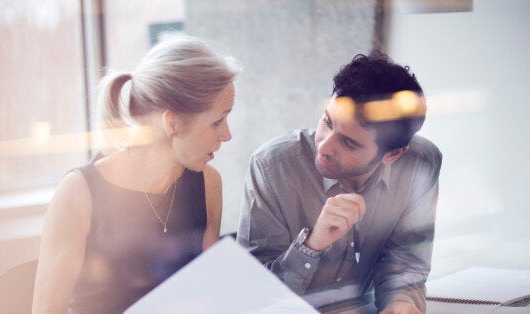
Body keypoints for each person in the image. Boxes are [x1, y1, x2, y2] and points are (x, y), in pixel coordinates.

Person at [32, 36, 240, 314]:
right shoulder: (79, 191)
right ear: (172, 122)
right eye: (217, 121)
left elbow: (211, 296)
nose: (227, 135)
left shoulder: (208, 182)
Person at [237, 51, 442, 313]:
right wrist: (311, 246)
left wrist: (401, 301)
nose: (324, 146)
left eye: (348, 142)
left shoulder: (420, 163)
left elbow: (406, 257)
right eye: (327, 122)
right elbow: (254, 293)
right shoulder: (272, 167)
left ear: (392, 154)